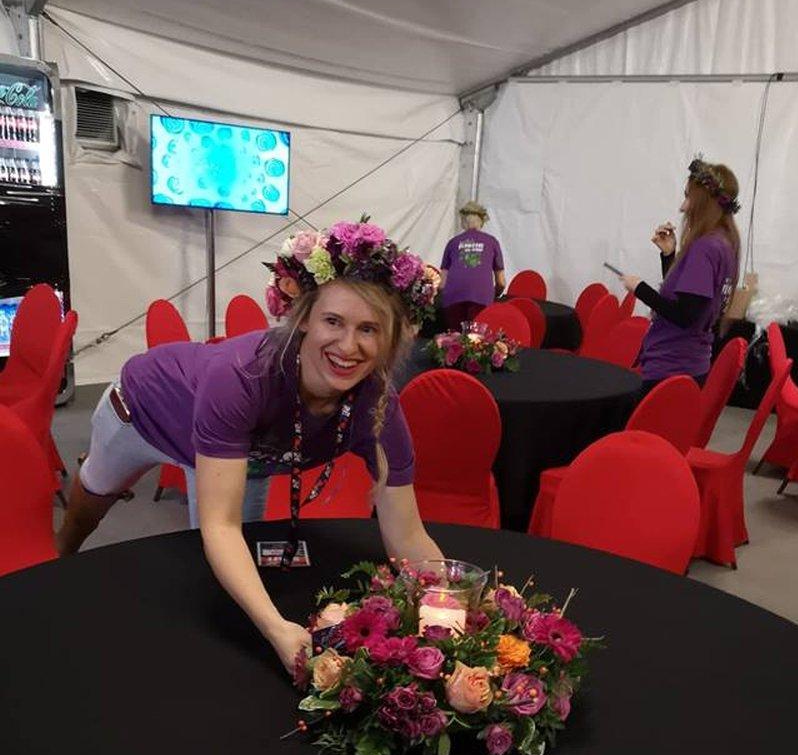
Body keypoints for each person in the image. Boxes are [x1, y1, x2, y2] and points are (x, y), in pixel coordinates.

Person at [56, 219, 444, 676]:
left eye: (369, 329)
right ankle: (59, 558)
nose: (348, 346)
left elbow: (407, 534)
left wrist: (452, 598)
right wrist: (280, 632)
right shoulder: (242, 377)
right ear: (304, 320)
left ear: (390, 338)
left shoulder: (378, 408)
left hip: (241, 453)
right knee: (92, 502)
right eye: (333, 322)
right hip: (142, 413)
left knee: (232, 562)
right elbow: (221, 527)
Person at [621, 159, 740, 392]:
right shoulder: (725, 244)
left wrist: (639, 288)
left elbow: (685, 315)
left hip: (670, 366)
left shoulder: (705, 248)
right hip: (692, 365)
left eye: (688, 198)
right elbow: (689, 299)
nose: (682, 207)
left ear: (703, 203)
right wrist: (669, 255)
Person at [439, 200, 506, 333]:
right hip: (482, 297)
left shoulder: (452, 243)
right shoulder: (492, 242)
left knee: (455, 338)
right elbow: (501, 282)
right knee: (476, 339)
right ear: (482, 222)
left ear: (463, 222)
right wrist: (495, 294)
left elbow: (442, 284)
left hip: (453, 297)